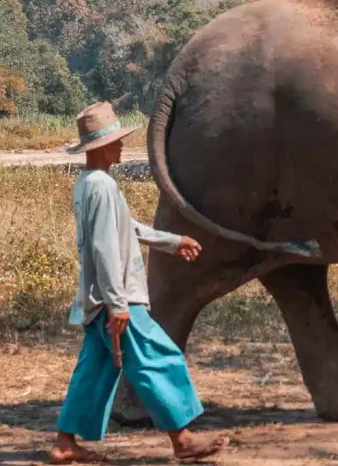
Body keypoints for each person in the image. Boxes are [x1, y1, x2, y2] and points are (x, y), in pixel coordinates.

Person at [49, 102, 226, 464]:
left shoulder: (88, 184)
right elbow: (103, 246)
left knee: (95, 370)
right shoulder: (101, 186)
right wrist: (117, 303)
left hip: (97, 300)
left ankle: (65, 442)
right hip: (117, 297)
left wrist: (172, 241)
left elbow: (125, 229)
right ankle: (181, 439)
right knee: (159, 359)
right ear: (99, 147)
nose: (121, 147)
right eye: (115, 141)